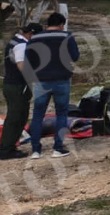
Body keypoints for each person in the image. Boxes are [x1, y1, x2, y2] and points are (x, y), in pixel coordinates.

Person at [26, 12, 80, 158]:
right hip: (62, 80)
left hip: (41, 81)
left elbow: (28, 59)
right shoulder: (66, 36)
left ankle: (36, 150)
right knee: (61, 113)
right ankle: (57, 148)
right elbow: (75, 57)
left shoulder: (35, 38)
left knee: (38, 115)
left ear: (47, 24)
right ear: (61, 24)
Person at [0, 23, 42, 160]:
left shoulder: (14, 41)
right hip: (17, 86)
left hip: (12, 85)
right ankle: (6, 149)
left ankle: (10, 146)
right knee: (16, 118)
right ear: (31, 34)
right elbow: (22, 66)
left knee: (18, 117)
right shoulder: (21, 45)